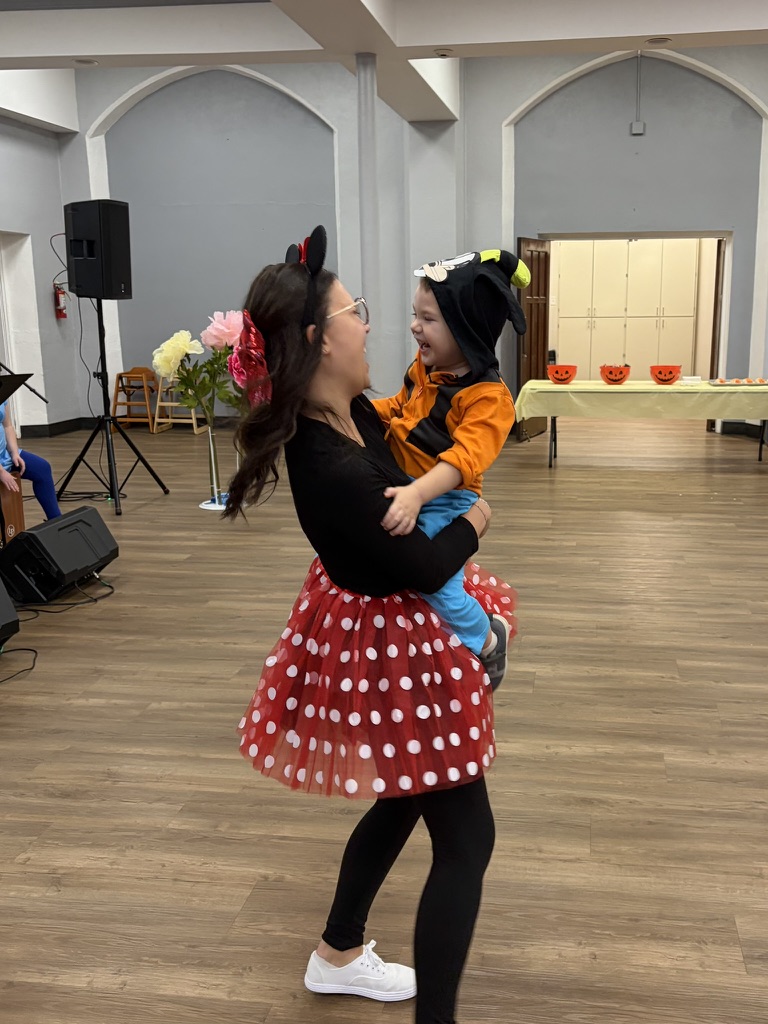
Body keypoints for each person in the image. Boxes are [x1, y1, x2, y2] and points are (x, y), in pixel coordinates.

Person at [225, 226, 511, 1024]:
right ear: (321, 338)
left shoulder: (351, 410)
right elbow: (423, 563)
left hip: (396, 627)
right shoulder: (329, 466)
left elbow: (430, 452)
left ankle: (338, 952)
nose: (372, 323)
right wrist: (477, 517)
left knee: (406, 796)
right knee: (467, 838)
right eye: (357, 311)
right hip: (392, 644)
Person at [371, 249, 529, 688]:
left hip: (448, 498)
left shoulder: (489, 398)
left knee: (436, 584)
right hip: (410, 486)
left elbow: (463, 461)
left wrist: (417, 493)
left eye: (428, 319)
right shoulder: (426, 369)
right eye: (414, 315)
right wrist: (356, 409)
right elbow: (399, 408)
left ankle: (488, 639)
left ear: (466, 328)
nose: (414, 326)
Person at [0, 401, 61, 520]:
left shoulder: (3, 394)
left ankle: (56, 520)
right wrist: (1, 472)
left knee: (42, 468)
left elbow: (7, 426)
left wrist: (15, 452)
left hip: (4, 455)